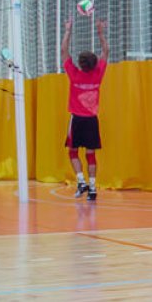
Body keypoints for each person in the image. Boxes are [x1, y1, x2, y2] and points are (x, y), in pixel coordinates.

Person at [61, 16, 109, 202]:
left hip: (77, 119)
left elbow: (64, 51)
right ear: (94, 63)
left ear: (80, 64)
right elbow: (106, 51)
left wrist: (68, 30)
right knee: (91, 154)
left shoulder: (74, 74)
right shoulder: (98, 74)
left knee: (73, 152)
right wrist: (100, 32)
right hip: (91, 120)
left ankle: (81, 182)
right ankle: (93, 188)